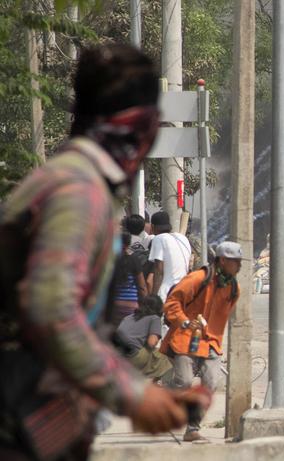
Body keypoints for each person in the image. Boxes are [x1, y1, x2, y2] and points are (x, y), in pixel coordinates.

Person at [0, 44, 207, 460]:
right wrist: (134, 397)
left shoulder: (67, 180)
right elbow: (52, 311)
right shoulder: (79, 191)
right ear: (143, 126)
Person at [161, 241, 243, 442]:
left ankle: (193, 428)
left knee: (211, 382)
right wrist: (185, 322)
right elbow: (172, 303)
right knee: (184, 382)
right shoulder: (198, 278)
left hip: (211, 341)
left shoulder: (233, 287)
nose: (239, 266)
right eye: (235, 262)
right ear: (223, 261)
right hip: (185, 337)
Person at [115, 295, 173, 382]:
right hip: (132, 356)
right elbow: (152, 343)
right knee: (163, 359)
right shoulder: (154, 318)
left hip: (116, 354)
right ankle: (155, 386)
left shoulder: (128, 317)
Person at [149, 210, 192, 302]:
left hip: (167, 293)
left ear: (152, 227)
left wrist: (154, 297)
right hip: (184, 290)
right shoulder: (183, 238)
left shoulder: (158, 239)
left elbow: (158, 270)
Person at [111, 231, 148, 327]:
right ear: (129, 243)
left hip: (114, 306)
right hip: (131, 307)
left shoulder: (111, 260)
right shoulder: (134, 260)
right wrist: (146, 304)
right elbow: (142, 287)